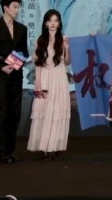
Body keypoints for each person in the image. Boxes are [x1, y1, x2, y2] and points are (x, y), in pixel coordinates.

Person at [0, 0, 28, 164]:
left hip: (16, 73)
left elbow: (24, 51)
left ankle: (10, 150)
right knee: (2, 112)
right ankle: (0, 152)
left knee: (15, 113)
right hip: (1, 73)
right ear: (5, 7)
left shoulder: (22, 28)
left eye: (18, 7)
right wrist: (1, 67)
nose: (17, 10)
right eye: (15, 6)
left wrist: (13, 65)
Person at [27, 10, 71, 160]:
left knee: (58, 111)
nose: (53, 23)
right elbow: (38, 64)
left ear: (59, 24)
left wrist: (66, 48)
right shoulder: (40, 40)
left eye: (56, 20)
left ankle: (57, 145)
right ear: (45, 23)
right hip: (45, 78)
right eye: (50, 20)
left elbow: (67, 62)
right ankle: (44, 147)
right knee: (44, 111)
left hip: (60, 78)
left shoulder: (63, 39)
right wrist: (38, 83)